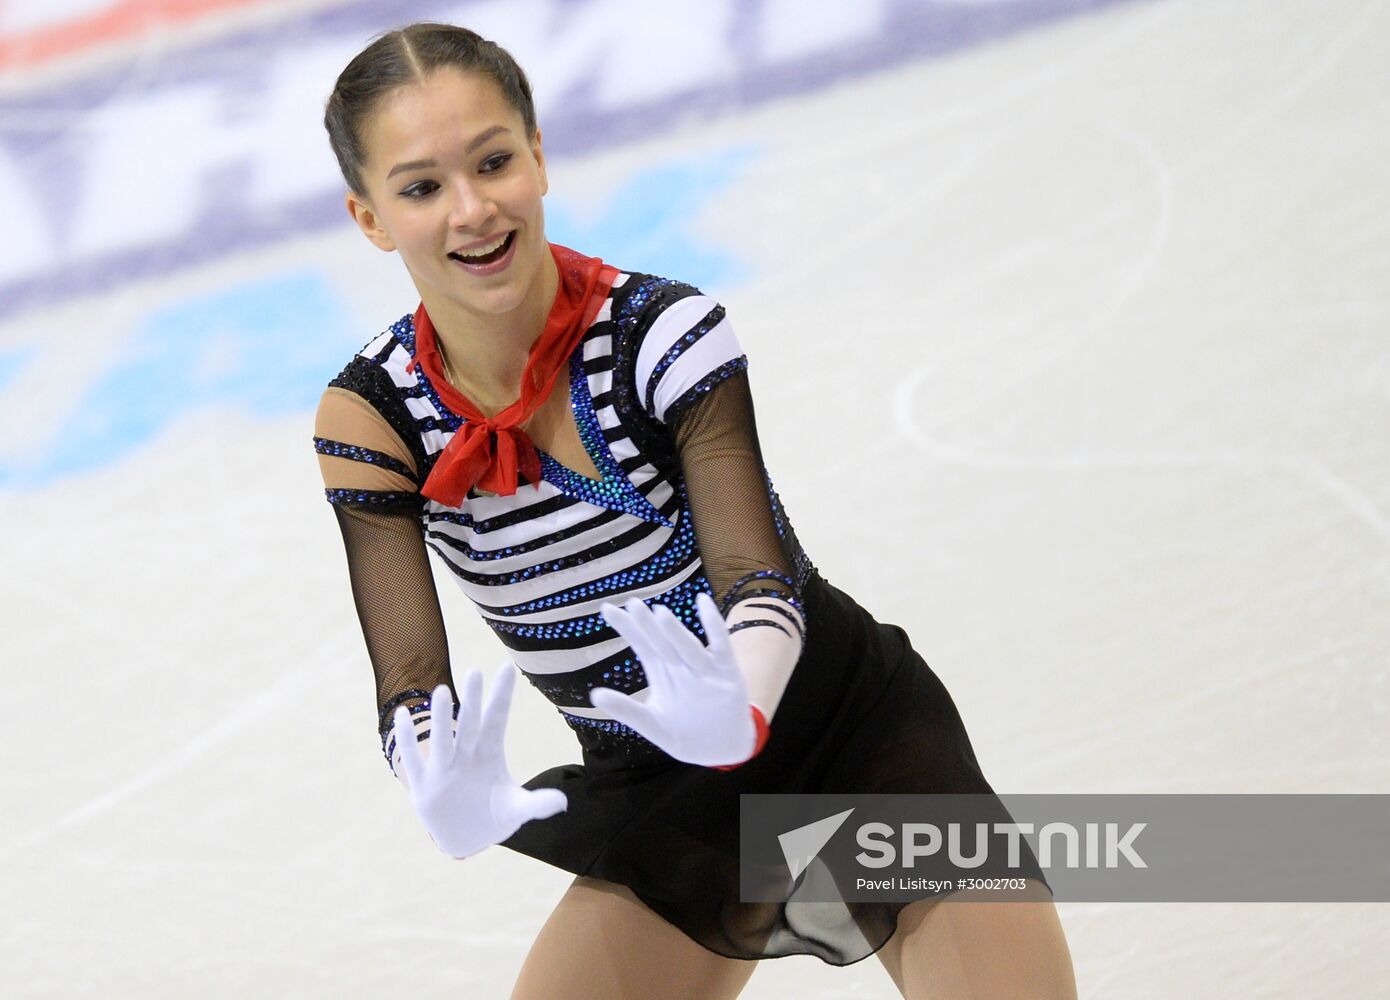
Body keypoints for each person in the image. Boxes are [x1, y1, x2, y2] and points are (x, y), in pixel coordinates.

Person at [313, 22, 1076, 1000]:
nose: (472, 209)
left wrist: (746, 697)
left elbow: (754, 573)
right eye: (420, 186)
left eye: (494, 161)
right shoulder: (374, 415)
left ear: (539, 156)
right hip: (662, 791)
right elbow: (409, 670)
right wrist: (425, 764)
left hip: (851, 731)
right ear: (369, 216)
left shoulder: (658, 332)